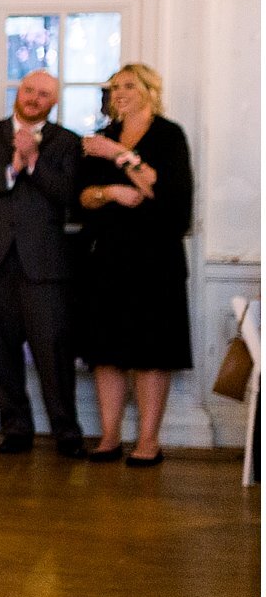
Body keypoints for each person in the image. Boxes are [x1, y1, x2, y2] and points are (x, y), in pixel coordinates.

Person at [0, 70, 85, 457]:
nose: (33, 98)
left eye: (43, 94)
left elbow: (68, 194)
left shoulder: (67, 142)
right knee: (2, 350)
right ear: (18, 92)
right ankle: (15, 430)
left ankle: (67, 433)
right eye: (29, 90)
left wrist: (32, 162)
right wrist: (10, 169)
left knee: (54, 353)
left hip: (44, 266)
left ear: (53, 102)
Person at [75, 63, 193, 465]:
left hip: (155, 257)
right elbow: (83, 196)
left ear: (149, 90)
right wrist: (109, 192)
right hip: (106, 256)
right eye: (114, 87)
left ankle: (148, 441)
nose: (118, 93)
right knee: (106, 350)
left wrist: (120, 155)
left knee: (150, 350)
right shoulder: (102, 136)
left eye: (128, 85)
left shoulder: (168, 135)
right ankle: (109, 437)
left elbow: (163, 193)